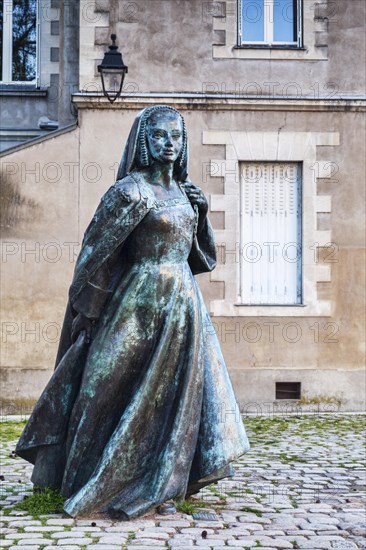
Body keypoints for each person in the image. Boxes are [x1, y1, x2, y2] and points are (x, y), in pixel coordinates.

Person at [16, 105, 249, 519]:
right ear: (144, 140)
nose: (168, 144)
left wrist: (204, 213)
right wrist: (87, 313)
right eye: (159, 135)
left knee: (173, 397)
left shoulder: (185, 194)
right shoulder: (128, 192)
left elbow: (201, 259)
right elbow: (96, 255)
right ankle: (80, 477)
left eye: (176, 137)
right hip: (134, 300)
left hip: (181, 303)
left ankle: (162, 479)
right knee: (101, 387)